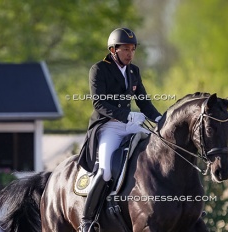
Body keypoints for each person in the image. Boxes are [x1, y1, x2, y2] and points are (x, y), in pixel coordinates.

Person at [78, 27, 162, 231]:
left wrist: (160, 119)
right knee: (105, 172)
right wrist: (127, 115)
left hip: (131, 124)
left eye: (133, 49)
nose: (130, 54)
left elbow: (143, 101)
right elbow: (99, 104)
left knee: (160, 152)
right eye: (125, 49)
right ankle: (87, 220)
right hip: (109, 126)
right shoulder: (99, 69)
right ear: (113, 50)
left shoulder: (134, 71)